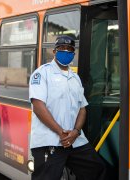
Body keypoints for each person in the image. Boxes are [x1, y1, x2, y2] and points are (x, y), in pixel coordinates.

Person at [29, 35, 105, 180]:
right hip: (50, 141)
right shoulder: (42, 73)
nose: (66, 51)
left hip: (75, 141)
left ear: (73, 53)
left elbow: (82, 108)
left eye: (69, 49)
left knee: (97, 170)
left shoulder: (75, 78)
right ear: (54, 51)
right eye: (61, 48)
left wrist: (76, 132)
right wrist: (61, 132)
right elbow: (38, 107)